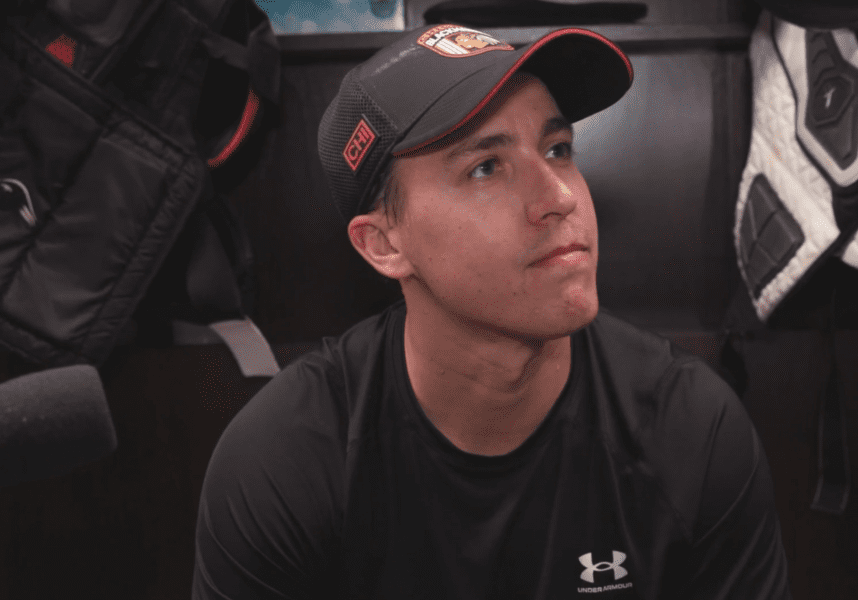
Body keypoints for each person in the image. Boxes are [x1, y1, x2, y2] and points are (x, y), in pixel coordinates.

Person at [191, 23, 793, 600]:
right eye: (486, 167)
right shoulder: (285, 462)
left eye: (558, 149)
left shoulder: (690, 433)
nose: (560, 197)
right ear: (385, 244)